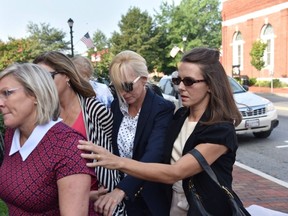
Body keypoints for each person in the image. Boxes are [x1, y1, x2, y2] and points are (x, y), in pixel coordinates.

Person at [78, 47, 251, 216]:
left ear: (211, 85)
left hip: (208, 208)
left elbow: (175, 172)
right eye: (178, 80)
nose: (181, 87)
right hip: (174, 205)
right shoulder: (180, 116)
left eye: (189, 81)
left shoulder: (220, 130)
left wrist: (117, 162)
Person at [33, 51, 125, 215]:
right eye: (38, 80)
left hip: (100, 203)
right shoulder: (43, 116)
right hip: (60, 201)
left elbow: (116, 155)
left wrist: (116, 191)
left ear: (67, 75)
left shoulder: (95, 111)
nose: (42, 84)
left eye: (48, 77)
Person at [85, 50, 175, 216]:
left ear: (143, 79)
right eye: (116, 87)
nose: (122, 93)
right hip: (119, 201)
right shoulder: (116, 108)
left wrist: (122, 189)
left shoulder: (162, 109)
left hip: (149, 199)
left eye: (127, 86)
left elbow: (153, 155)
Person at [0, 63, 97, 215]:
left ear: (35, 95)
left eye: (7, 93)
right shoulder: (11, 134)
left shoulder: (67, 147)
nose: (0, 102)